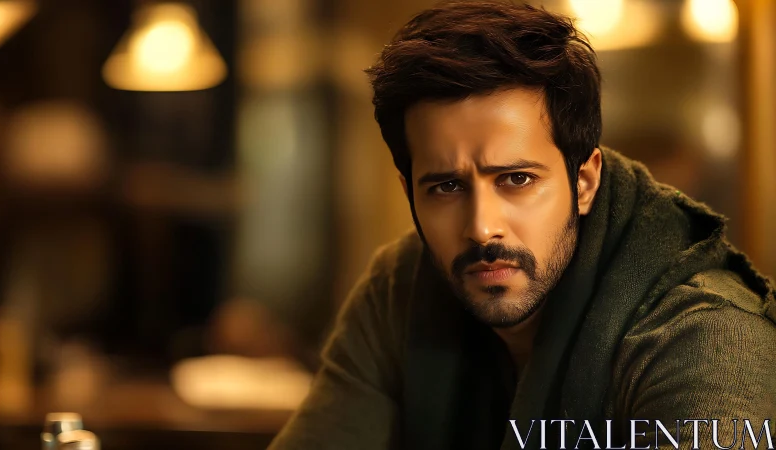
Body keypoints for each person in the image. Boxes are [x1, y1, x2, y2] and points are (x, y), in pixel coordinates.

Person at [268, 2, 776, 449]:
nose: (482, 228)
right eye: (446, 187)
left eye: (516, 178)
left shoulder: (704, 333)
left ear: (585, 182)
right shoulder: (400, 288)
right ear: (410, 193)